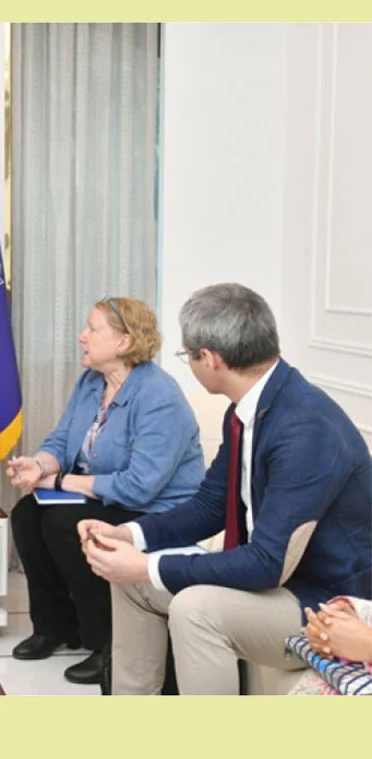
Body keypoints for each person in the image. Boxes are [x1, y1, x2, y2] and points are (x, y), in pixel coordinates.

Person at [79, 283, 372, 695]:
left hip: (322, 602)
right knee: (130, 581)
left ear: (210, 358)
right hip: (281, 581)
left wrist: (146, 565)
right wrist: (128, 535)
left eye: (187, 354)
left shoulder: (305, 428)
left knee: (195, 609)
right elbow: (210, 505)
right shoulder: (250, 407)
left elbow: (267, 563)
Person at [6, 297, 205, 684]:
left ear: (124, 342)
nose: (82, 336)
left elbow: (140, 487)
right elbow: (62, 439)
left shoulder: (159, 396)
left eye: (93, 329)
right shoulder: (91, 382)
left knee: (65, 524)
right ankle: (56, 627)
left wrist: (59, 482)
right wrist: (40, 465)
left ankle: (109, 645)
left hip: (157, 511)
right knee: (27, 515)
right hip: (104, 495)